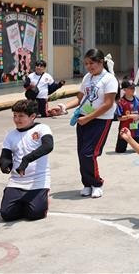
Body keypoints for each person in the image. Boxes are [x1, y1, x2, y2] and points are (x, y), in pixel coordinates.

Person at [49, 48, 117, 198]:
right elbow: (80, 98)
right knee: (82, 153)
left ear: (100, 62)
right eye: (86, 64)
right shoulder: (88, 77)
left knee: (90, 153)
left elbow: (108, 104)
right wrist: (64, 107)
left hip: (100, 120)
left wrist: (88, 118)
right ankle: (87, 183)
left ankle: (97, 183)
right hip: (83, 118)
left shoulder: (109, 79)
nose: (89, 66)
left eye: (92, 63)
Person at [0, 100, 54, 221]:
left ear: (32, 116)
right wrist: (5, 164)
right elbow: (5, 155)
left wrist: (26, 159)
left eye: (21, 116)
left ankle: (42, 197)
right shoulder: (11, 135)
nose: (17, 119)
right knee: (6, 214)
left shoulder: (42, 128)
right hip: (17, 181)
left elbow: (48, 146)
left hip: (38, 180)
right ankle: (23, 200)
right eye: (15, 115)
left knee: (35, 214)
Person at [115, 80, 139, 153]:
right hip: (125, 129)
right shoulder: (120, 102)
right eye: (131, 88)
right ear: (124, 90)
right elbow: (119, 118)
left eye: (134, 88)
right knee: (120, 151)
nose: (133, 89)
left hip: (136, 128)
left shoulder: (137, 99)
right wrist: (130, 116)